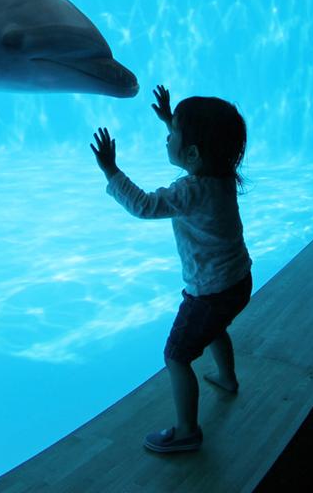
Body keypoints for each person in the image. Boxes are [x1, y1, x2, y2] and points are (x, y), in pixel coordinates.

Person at [91, 84, 252, 454]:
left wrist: (111, 171)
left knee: (176, 356)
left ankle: (186, 432)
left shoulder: (189, 191)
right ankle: (226, 378)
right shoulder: (223, 174)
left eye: (173, 133)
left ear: (193, 152)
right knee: (215, 328)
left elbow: (144, 206)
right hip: (237, 281)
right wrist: (170, 117)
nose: (167, 139)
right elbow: (199, 147)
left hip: (208, 292)